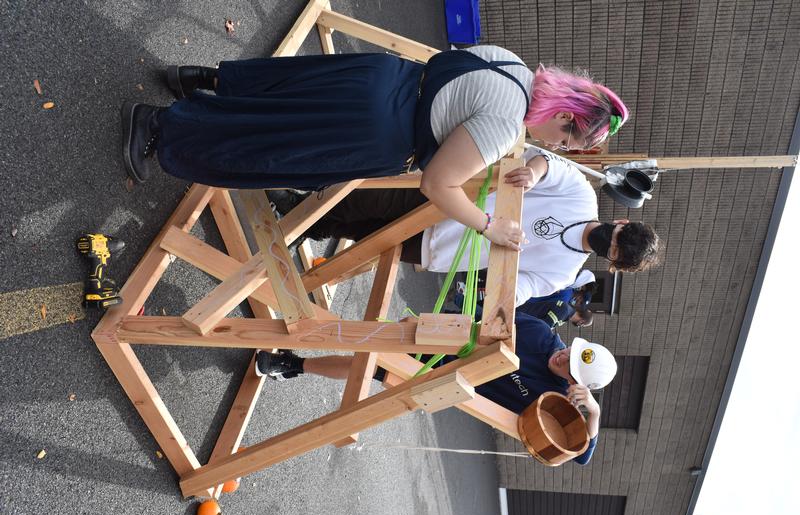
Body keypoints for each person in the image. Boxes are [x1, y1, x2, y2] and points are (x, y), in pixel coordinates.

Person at [121, 45, 629, 252]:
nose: (554, 144)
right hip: (372, 127)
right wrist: (488, 225)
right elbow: (438, 184)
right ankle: (157, 129)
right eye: (564, 138)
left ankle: (197, 82)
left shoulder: (513, 64)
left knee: (276, 94)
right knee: (269, 141)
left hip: (382, 75)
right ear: (563, 116)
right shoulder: (504, 125)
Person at [295, 150, 661, 303]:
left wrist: (499, 302)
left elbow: (521, 288)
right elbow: (552, 165)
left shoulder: (563, 273)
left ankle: (303, 226)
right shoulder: (582, 197)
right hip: (446, 201)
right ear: (622, 221)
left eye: (611, 250)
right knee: (362, 200)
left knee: (360, 234)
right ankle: (296, 203)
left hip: (438, 248)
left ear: (611, 262)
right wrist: (533, 174)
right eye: (615, 234)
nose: (607, 240)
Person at [253, 313, 617, 465]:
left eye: (570, 366)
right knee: (373, 336)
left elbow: (579, 457)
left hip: (446, 380)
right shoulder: (541, 334)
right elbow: (486, 317)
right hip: (449, 342)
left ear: (575, 383)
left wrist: (594, 415)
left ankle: (292, 365)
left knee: (373, 368)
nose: (562, 356)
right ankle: (296, 326)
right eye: (571, 350)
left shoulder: (554, 404)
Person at [516, 269, 596, 328]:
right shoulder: (565, 298)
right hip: (525, 303)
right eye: (580, 302)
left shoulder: (566, 289)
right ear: (580, 295)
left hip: (525, 294)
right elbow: (543, 323)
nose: (577, 304)